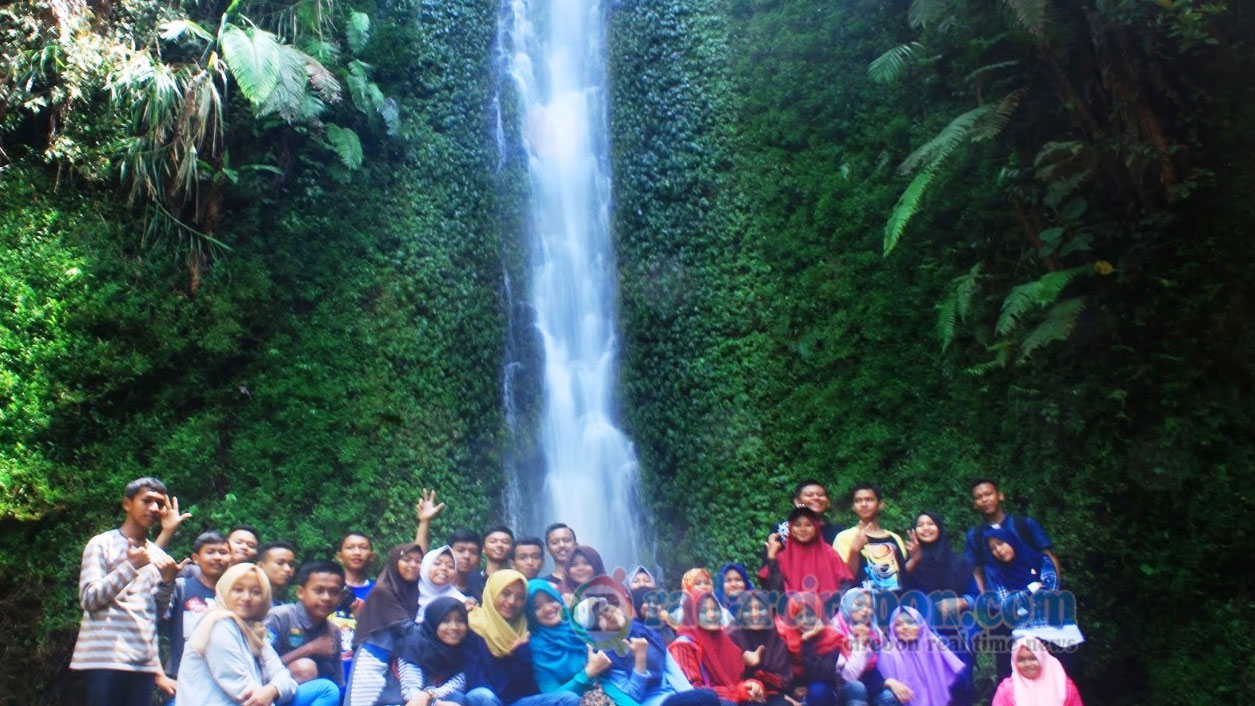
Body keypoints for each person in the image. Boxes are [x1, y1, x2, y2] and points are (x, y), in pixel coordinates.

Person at [71, 476, 186, 706]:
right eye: (147, 501)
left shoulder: (159, 556)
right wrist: (130, 566)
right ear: (127, 504)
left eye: (160, 504)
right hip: (103, 659)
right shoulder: (102, 543)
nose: (154, 508)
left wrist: (168, 582)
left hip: (141, 662)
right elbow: (89, 598)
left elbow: (157, 614)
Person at [174, 563, 299, 706]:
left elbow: (283, 676)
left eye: (256, 592)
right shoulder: (217, 624)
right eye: (238, 590)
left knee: (323, 688)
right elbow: (246, 693)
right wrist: (269, 693)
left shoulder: (254, 630)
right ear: (225, 591)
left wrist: (272, 690)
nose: (246, 597)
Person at [981, 527, 1083, 680]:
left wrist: (1019, 601)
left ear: (1011, 541)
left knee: (1064, 679)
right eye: (993, 549)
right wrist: (1030, 589)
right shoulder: (999, 575)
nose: (999, 550)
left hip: (1058, 629)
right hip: (1026, 632)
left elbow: (1050, 591)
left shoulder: (1041, 561)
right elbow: (1005, 607)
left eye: (1001, 543)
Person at [592, 593, 720, 706]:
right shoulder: (608, 656)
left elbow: (672, 671)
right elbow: (633, 696)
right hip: (653, 702)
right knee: (708, 697)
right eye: (600, 617)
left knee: (716, 701)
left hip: (674, 695)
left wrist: (692, 697)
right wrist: (640, 659)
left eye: (608, 609)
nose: (609, 615)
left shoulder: (646, 632)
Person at [901, 513, 976, 704]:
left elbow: (977, 597)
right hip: (919, 636)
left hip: (956, 632)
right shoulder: (908, 563)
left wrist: (960, 602)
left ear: (940, 528)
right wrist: (914, 560)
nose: (925, 528)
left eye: (931, 524)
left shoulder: (959, 563)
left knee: (960, 681)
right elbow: (898, 591)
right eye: (920, 525)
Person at [525, 579, 631, 703]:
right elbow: (553, 698)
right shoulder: (537, 647)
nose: (548, 609)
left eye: (550, 600)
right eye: (537, 607)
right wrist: (589, 672)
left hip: (608, 692)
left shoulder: (577, 626)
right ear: (531, 614)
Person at [347, 543, 423, 706]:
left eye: (418, 561)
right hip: (374, 656)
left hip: (398, 661)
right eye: (407, 560)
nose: (413, 565)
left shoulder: (414, 592)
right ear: (394, 562)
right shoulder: (383, 592)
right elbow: (409, 630)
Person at [265, 560, 346, 704]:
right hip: (269, 694)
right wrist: (311, 649)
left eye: (333, 592)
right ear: (300, 592)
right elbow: (259, 667)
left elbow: (338, 680)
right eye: (318, 591)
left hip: (311, 697)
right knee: (305, 668)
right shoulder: (279, 617)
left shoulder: (333, 631)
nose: (326, 598)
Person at [465, 569, 547, 706]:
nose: (512, 602)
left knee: (568, 699)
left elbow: (527, 688)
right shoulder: (473, 626)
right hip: (486, 700)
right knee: (482, 695)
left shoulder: (524, 628)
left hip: (516, 701)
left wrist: (520, 653)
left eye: (520, 597)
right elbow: (476, 680)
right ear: (492, 593)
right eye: (505, 594)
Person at [963, 480, 1059, 594]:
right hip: (1002, 604)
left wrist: (1054, 592)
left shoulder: (1024, 524)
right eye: (979, 497)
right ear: (975, 504)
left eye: (988, 494)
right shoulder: (975, 536)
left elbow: (1049, 557)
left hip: (1039, 597)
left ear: (1000, 496)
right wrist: (984, 600)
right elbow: (976, 571)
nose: (984, 500)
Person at [668, 592, 766, 704]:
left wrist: (754, 686)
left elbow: (739, 679)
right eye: (704, 611)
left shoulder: (723, 640)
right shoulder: (683, 646)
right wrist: (738, 692)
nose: (712, 615)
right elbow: (693, 690)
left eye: (715, 609)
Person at [163, 530, 232, 680]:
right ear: (196, 558)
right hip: (182, 676)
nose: (218, 557)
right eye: (210, 552)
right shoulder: (181, 588)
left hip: (222, 678)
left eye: (223, 552)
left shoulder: (235, 596)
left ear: (231, 558)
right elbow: (156, 618)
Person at [875, 606, 967, 706]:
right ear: (893, 629)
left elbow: (952, 673)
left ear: (921, 625)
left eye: (911, 622)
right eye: (898, 624)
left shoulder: (933, 645)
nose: (905, 627)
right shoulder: (888, 652)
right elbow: (882, 687)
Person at [760, 507, 853, 597]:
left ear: (816, 527)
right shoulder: (783, 557)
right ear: (791, 528)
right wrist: (771, 557)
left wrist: (833, 606)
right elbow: (773, 590)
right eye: (797, 525)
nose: (803, 529)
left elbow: (844, 584)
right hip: (790, 611)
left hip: (827, 610)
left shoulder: (829, 553)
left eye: (808, 525)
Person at [396, 597, 473, 704]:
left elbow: (457, 685)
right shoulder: (414, 647)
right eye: (445, 621)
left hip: (437, 700)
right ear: (433, 622)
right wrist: (434, 701)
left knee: (457, 697)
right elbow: (410, 693)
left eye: (460, 620)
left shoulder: (465, 650)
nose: (454, 627)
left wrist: (430, 695)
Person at [833, 485, 907, 593]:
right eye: (858, 501)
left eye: (869, 499)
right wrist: (854, 551)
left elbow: (901, 573)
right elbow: (846, 578)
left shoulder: (894, 538)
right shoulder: (844, 537)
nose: (863, 504)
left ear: (881, 504)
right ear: (853, 507)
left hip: (894, 602)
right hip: (861, 605)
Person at [775, 593, 845, 706]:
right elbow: (777, 674)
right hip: (791, 692)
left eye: (810, 615)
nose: (805, 621)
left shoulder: (831, 639)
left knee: (818, 690)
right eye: (798, 617)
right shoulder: (783, 637)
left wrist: (806, 642)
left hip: (823, 693)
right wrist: (792, 689)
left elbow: (821, 676)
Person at [726, 591, 792, 706]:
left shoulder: (776, 635)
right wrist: (743, 661)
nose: (755, 614)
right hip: (740, 693)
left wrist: (760, 677)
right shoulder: (731, 636)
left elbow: (783, 680)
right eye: (748, 610)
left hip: (772, 693)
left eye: (760, 609)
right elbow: (725, 678)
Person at [330, 532, 377, 683]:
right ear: (339, 556)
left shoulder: (379, 593)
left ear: (372, 556)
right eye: (350, 547)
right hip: (327, 670)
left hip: (363, 674)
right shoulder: (326, 588)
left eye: (363, 548)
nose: (357, 552)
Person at [833, 589, 894, 706]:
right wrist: (860, 643)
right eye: (859, 604)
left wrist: (888, 682)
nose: (865, 610)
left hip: (871, 682)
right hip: (840, 687)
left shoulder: (875, 632)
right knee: (857, 687)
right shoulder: (835, 630)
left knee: (888, 697)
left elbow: (886, 665)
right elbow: (848, 676)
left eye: (870, 606)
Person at [990, 638, 1083, 706]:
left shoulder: (1063, 686)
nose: (1027, 664)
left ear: (1042, 658)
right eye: (1021, 660)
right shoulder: (1007, 690)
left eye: (1033, 658)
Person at [772, 481, 841, 547]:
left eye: (820, 495)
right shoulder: (782, 530)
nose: (816, 498)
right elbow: (770, 557)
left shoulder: (839, 533)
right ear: (797, 502)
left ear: (828, 502)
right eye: (809, 495)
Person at [419, 545, 471, 621]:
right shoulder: (406, 591)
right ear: (425, 566)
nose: (443, 568)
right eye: (437, 563)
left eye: (450, 566)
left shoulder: (459, 600)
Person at [451, 528, 488, 601]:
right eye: (460, 550)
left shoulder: (483, 588)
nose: (467, 556)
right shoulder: (436, 583)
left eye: (473, 552)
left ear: (479, 558)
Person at [257, 542, 298, 606]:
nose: (288, 569)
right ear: (260, 567)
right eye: (280, 563)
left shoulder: (284, 606)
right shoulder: (249, 601)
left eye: (291, 565)